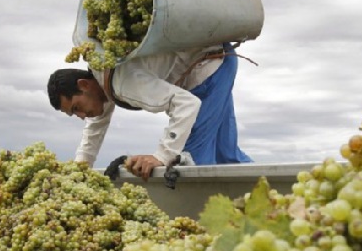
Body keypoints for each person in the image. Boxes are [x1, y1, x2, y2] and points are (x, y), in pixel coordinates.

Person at [47, 42, 252, 180]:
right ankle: (273, 199)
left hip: (207, 71)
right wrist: (78, 174)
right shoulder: (103, 78)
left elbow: (186, 104)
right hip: (219, 57)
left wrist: (162, 156)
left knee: (193, 162)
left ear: (84, 85)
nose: (81, 116)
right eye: (74, 114)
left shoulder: (122, 83)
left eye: (76, 108)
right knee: (227, 155)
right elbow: (93, 132)